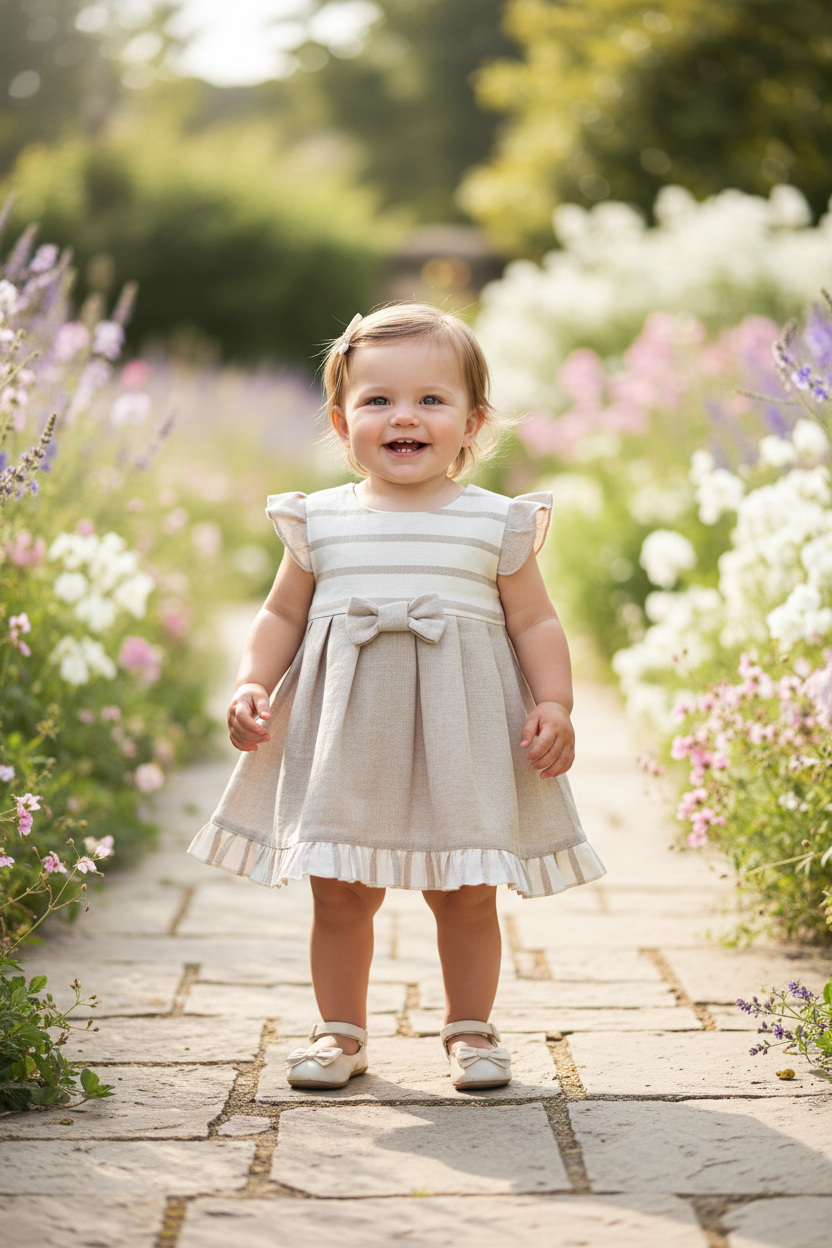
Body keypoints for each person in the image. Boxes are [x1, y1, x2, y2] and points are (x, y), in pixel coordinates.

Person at [188, 303, 605, 1092]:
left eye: (430, 401)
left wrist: (556, 702)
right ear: (343, 425)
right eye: (377, 401)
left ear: (471, 422)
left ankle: (472, 1030)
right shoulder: (319, 521)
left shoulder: (495, 524)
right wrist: (251, 680)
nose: (403, 417)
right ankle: (339, 1032)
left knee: (467, 891)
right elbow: (281, 614)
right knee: (341, 892)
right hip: (350, 739)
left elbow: (537, 620)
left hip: (463, 738)